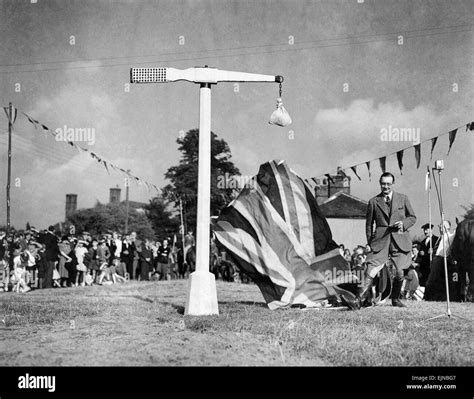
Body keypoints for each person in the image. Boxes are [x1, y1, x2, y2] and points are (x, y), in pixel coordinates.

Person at [357, 172, 417, 308]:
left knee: (400, 271)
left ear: (392, 184)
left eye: (388, 184)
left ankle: (395, 299)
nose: (386, 187)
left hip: (400, 240)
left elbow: (412, 217)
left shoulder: (403, 198)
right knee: (370, 268)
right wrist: (370, 242)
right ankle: (359, 300)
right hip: (380, 240)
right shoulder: (373, 201)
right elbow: (368, 224)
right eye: (383, 184)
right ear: (380, 184)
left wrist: (403, 223)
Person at [424, 220, 456, 301]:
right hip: (435, 259)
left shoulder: (450, 236)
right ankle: (432, 297)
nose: (440, 228)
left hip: (441, 259)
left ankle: (428, 297)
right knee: (433, 280)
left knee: (432, 280)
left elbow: (456, 232)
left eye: (443, 226)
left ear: (447, 227)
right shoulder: (439, 238)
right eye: (440, 226)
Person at [418, 223, 439, 287]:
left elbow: (437, 252)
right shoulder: (422, 242)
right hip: (424, 267)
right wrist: (420, 253)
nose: (425, 232)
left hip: (432, 265)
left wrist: (431, 252)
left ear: (431, 230)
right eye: (424, 230)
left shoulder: (436, 240)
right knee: (423, 283)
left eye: (427, 230)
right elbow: (420, 254)